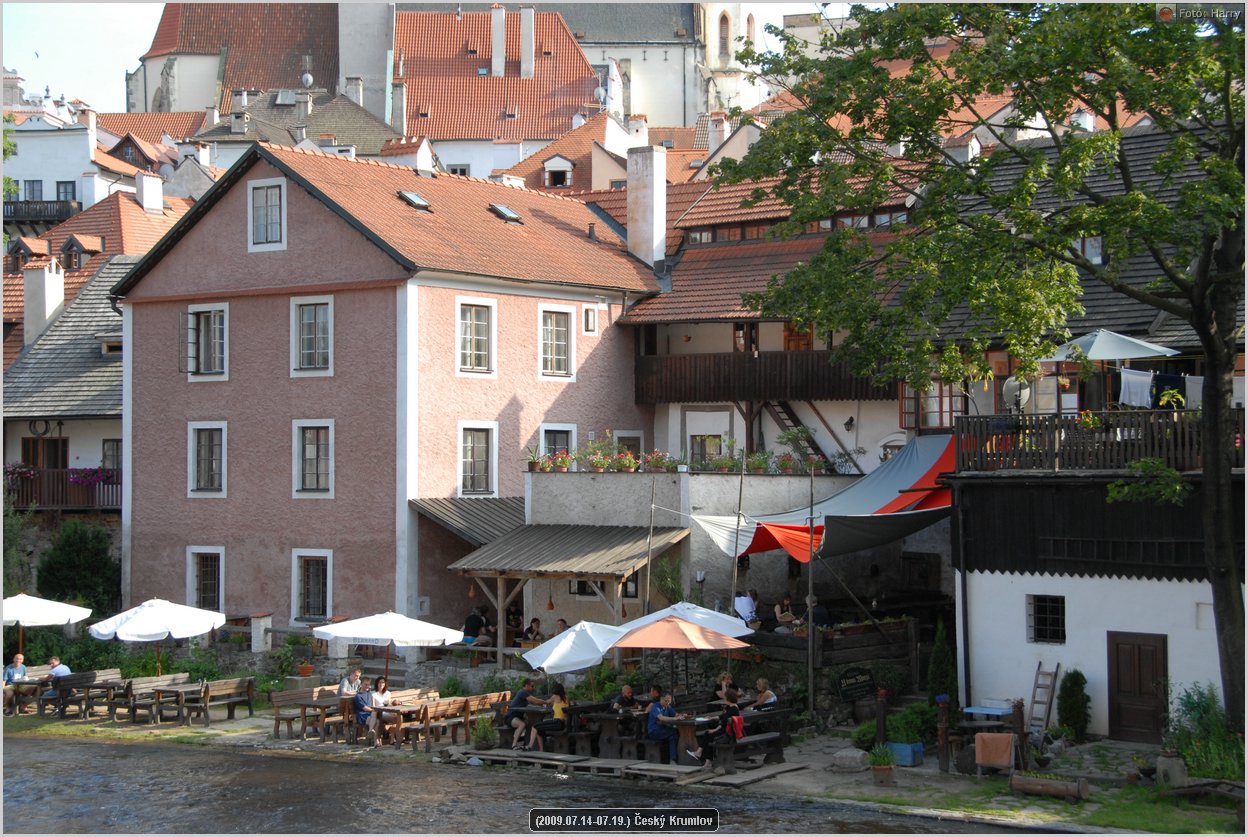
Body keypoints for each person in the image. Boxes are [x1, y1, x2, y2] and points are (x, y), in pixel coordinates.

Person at [686, 689, 744, 766]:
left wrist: (714, 730)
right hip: (727, 732)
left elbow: (724, 723)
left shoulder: (733, 709)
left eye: (725, 697)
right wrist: (712, 717)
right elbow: (722, 717)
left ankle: (702, 756)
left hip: (728, 735)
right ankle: (705, 759)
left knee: (708, 734)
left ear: (728, 698)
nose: (724, 699)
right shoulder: (731, 707)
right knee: (708, 734)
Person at [506, 677, 547, 750]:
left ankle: (528, 743)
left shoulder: (525, 693)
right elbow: (535, 701)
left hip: (517, 717)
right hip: (510, 717)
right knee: (522, 724)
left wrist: (541, 704)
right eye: (532, 686)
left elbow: (533, 702)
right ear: (526, 685)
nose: (533, 688)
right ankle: (514, 745)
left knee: (532, 724)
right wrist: (546, 702)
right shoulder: (522, 692)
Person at [528, 682, 568, 752]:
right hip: (563, 724)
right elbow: (558, 706)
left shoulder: (555, 696)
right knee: (539, 730)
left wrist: (536, 702)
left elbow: (547, 702)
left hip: (557, 723)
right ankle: (541, 750)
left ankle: (529, 746)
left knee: (534, 726)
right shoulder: (566, 698)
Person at [646, 691, 681, 763]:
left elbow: (675, 714)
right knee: (674, 732)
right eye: (666, 701)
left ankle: (673, 759)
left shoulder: (667, 706)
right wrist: (674, 719)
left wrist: (681, 716)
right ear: (661, 699)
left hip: (664, 730)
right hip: (654, 731)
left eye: (669, 701)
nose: (668, 702)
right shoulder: (656, 706)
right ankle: (674, 758)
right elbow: (661, 718)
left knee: (673, 736)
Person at [365, 674, 395, 747]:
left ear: (385, 684)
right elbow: (373, 706)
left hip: (387, 711)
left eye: (383, 682)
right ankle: (372, 732)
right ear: (377, 683)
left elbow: (388, 704)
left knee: (397, 717)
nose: (381, 684)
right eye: (379, 682)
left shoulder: (388, 693)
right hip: (378, 712)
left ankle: (392, 739)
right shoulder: (373, 694)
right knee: (376, 717)